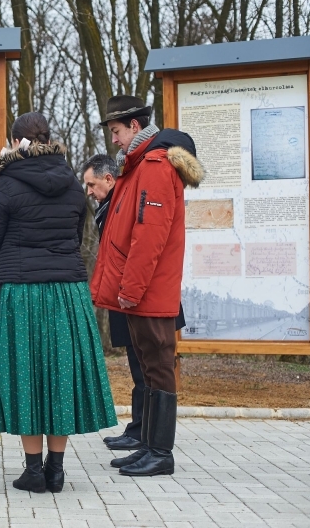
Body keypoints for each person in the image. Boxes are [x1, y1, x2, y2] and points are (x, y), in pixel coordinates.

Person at [0, 112, 117, 494]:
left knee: (25, 376)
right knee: (58, 377)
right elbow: (75, 237)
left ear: (15, 142)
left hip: (19, 293)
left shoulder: (6, 184)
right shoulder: (74, 185)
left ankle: (33, 471)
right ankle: (56, 471)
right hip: (67, 292)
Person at [90, 95, 204, 477]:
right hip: (142, 294)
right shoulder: (138, 165)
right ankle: (149, 447)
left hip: (149, 295)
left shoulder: (154, 167)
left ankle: (161, 453)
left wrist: (131, 290)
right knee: (152, 369)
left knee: (158, 368)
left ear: (135, 127)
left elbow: (148, 238)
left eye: (117, 132)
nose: (115, 141)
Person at [81, 154, 188, 452]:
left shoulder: (126, 201)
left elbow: (143, 246)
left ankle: (148, 437)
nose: (89, 191)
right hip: (126, 294)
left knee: (148, 369)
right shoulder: (109, 205)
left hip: (140, 295)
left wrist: (130, 289)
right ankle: (140, 430)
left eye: (92, 184)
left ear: (108, 179)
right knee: (138, 365)